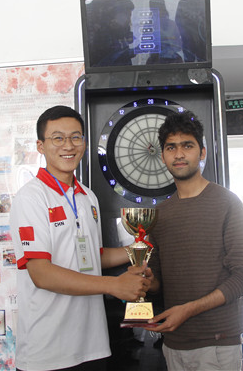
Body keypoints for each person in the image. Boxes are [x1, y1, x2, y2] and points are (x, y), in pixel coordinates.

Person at [10, 105, 151, 371]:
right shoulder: (31, 198)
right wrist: (114, 285)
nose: (68, 145)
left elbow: (93, 257)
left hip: (92, 346)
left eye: (76, 137)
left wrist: (139, 248)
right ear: (41, 146)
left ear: (84, 143)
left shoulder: (88, 197)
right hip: (47, 352)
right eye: (58, 138)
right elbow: (41, 274)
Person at [145, 110, 243, 371]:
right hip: (173, 342)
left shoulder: (228, 203)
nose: (179, 154)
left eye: (187, 146)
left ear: (202, 152)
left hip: (217, 343)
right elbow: (158, 283)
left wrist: (188, 310)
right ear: (163, 156)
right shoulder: (159, 214)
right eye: (171, 147)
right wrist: (147, 281)